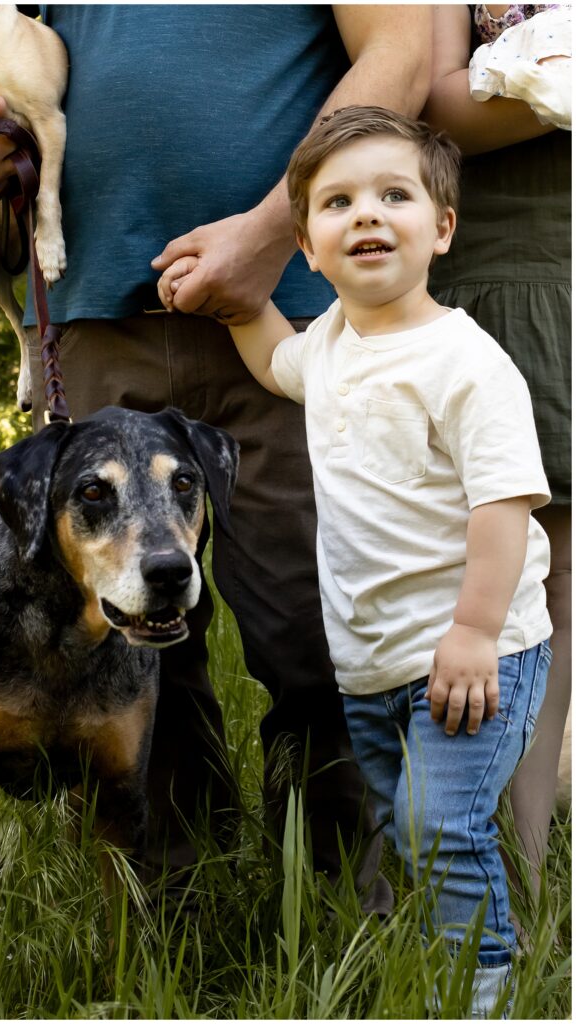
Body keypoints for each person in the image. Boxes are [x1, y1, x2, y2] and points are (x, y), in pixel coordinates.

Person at [0, 6, 432, 898]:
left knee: (322, 633)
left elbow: (401, 53)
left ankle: (349, 921)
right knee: (138, 652)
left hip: (295, 311)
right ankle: (179, 921)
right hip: (93, 310)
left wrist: (276, 229)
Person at [160, 105, 553, 1017]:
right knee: (409, 835)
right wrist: (238, 304)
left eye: (394, 195)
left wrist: (472, 632)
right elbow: (279, 367)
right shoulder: (333, 341)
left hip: (474, 651)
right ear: (306, 244)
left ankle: (488, 988)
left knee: (437, 823)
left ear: (442, 227)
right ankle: (448, 960)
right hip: (373, 662)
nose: (367, 215)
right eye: (339, 202)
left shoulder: (465, 363)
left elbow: (504, 507)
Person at [423, 3, 571, 897]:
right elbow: (435, 104)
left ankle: (528, 874)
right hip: (507, 259)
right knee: (511, 575)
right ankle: (487, 881)